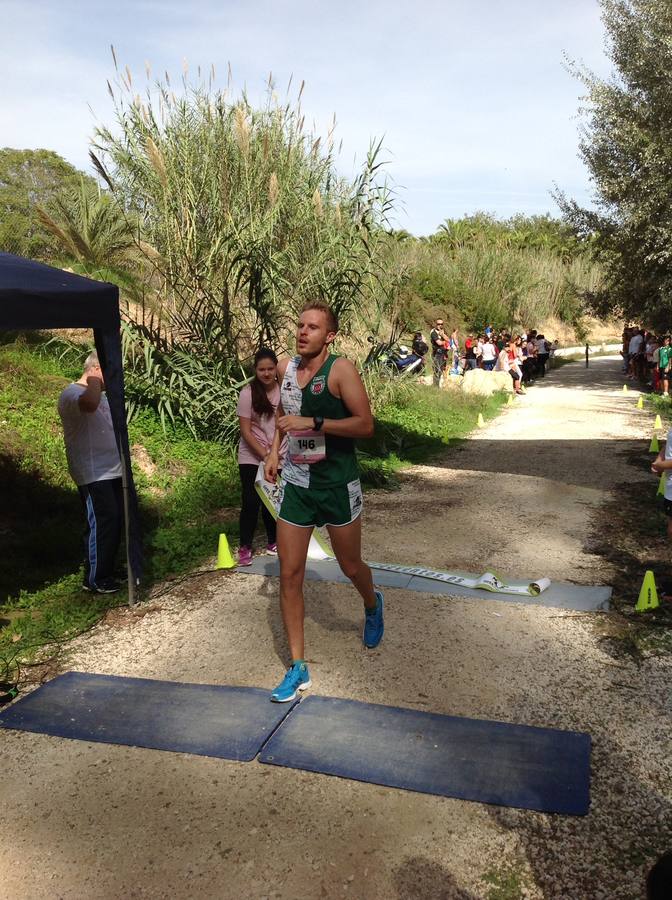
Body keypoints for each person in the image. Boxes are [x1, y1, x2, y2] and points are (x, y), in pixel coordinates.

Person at [264, 300, 384, 702]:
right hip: (298, 485)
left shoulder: (341, 370)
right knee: (289, 574)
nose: (303, 332)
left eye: (313, 327)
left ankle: (372, 602)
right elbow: (283, 413)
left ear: (329, 336)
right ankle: (298, 667)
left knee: (350, 566)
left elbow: (365, 425)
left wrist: (314, 422)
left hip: (336, 484)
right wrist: (273, 451)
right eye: (300, 325)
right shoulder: (285, 368)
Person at [58, 351, 123, 593]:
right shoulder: (71, 393)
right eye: (108, 371)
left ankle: (107, 569)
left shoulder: (99, 395)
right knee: (102, 522)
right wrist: (95, 378)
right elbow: (89, 405)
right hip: (94, 471)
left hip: (113, 468)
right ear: (96, 369)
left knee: (114, 520)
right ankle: (95, 578)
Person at [236, 348, 286, 566]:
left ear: (276, 369)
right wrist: (265, 455)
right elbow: (245, 431)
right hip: (252, 455)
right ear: (255, 371)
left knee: (273, 501)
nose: (266, 373)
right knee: (251, 501)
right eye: (261, 369)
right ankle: (245, 546)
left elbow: (285, 425)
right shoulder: (247, 393)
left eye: (270, 369)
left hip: (279, 454)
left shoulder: (284, 391)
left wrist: (274, 455)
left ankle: (273, 541)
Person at [430, 318, 448, 386]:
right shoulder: (433, 333)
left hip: (443, 353)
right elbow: (439, 343)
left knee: (441, 369)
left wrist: (442, 335)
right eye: (438, 324)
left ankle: (437, 385)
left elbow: (449, 340)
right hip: (437, 353)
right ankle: (435, 385)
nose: (440, 325)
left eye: (441, 324)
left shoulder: (443, 332)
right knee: (437, 369)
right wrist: (445, 341)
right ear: (436, 324)